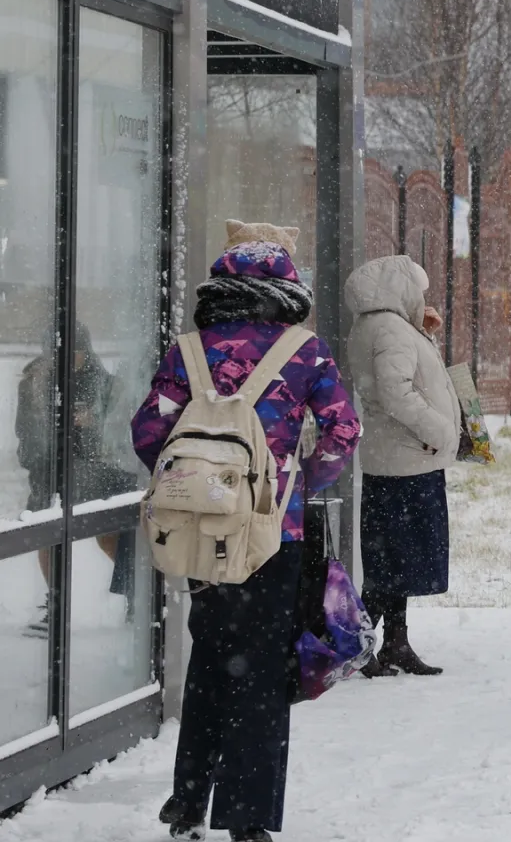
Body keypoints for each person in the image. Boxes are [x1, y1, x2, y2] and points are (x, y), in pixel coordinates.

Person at [133, 221, 361, 842]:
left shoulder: (190, 349)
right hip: (271, 536)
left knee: (210, 657)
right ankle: (248, 818)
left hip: (203, 534)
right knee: (258, 671)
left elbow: (149, 431)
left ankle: (186, 804)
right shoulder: (305, 352)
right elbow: (344, 432)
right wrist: (297, 486)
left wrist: (199, 490)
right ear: (286, 290)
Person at [344, 254, 460, 678]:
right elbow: (396, 393)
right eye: (418, 290)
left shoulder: (383, 326)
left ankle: (393, 641)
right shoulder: (389, 329)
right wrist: (440, 431)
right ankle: (355, 645)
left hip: (400, 460)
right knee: (394, 562)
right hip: (407, 463)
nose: (422, 297)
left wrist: (422, 332)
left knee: (394, 561)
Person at [15, 322, 133, 637]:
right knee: (48, 533)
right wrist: (41, 447)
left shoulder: (103, 383)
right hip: (49, 468)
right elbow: (25, 432)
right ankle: (55, 602)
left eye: (75, 353)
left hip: (94, 468)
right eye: (59, 354)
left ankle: (137, 593)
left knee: (110, 535)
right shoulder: (34, 383)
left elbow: (116, 433)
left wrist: (91, 424)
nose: (68, 361)